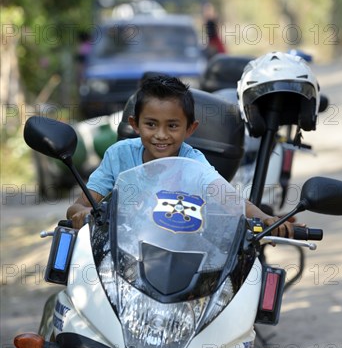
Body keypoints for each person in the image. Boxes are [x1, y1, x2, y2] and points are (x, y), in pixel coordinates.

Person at [67, 75, 293, 237]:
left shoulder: (193, 162)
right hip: (121, 255)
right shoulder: (119, 154)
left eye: (172, 126)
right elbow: (78, 207)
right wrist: (82, 213)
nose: (161, 135)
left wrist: (264, 217)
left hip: (178, 258)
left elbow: (229, 198)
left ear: (190, 129)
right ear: (135, 125)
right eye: (151, 124)